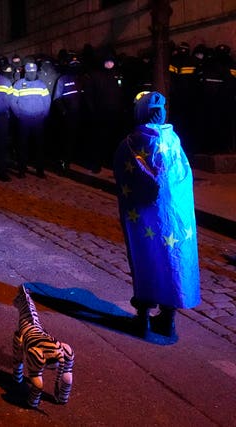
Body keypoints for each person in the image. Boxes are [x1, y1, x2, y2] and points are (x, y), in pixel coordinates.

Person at [113, 91, 200, 340]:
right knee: (171, 260)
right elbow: (183, 177)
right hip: (173, 216)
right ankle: (168, 318)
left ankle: (143, 319)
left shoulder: (132, 142)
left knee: (146, 257)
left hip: (145, 218)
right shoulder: (174, 140)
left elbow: (124, 172)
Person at [11, 61, 51, 178]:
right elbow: (13, 102)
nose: (31, 74)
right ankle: (22, 170)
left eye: (33, 72)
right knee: (22, 146)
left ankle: (40, 170)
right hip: (24, 121)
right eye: (29, 72)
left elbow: (47, 101)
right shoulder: (18, 84)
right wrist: (19, 115)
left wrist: (43, 115)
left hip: (38, 121)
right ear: (25, 72)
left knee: (39, 146)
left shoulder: (41, 84)